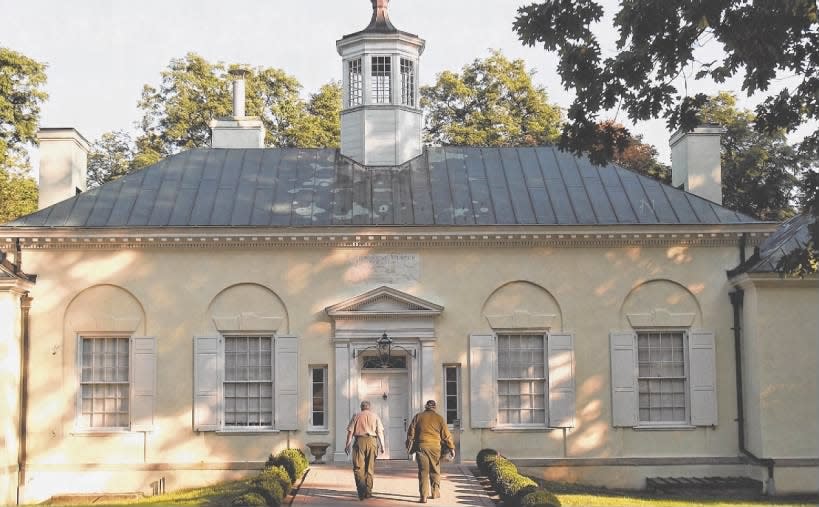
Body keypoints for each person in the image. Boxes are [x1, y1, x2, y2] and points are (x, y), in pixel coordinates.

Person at [405, 400, 455, 503]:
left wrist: (408, 446)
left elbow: (410, 433)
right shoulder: (439, 418)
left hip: (421, 447)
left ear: (426, 407)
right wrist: (451, 448)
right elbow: (446, 435)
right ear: (434, 407)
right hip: (435, 448)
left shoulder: (418, 416)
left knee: (423, 471)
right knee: (435, 470)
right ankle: (435, 493)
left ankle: (423, 496)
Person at [345, 400, 385, 500]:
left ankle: (361, 491)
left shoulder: (356, 416)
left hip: (359, 442)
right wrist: (383, 446)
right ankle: (368, 492)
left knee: (358, 468)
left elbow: (350, 432)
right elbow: (380, 432)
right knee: (370, 468)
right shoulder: (375, 416)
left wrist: (347, 445)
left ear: (361, 407)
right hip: (372, 442)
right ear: (369, 407)